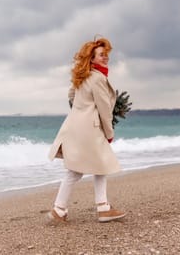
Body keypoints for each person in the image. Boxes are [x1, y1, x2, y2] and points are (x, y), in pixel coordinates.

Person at [47, 37, 125, 223]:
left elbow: (71, 96)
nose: (105, 57)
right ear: (91, 59)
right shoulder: (97, 78)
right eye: (101, 55)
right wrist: (109, 133)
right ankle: (69, 209)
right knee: (85, 169)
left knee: (91, 167)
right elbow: (105, 109)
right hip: (90, 129)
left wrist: (81, 111)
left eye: (106, 54)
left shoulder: (82, 76)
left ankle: (93, 207)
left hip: (74, 127)